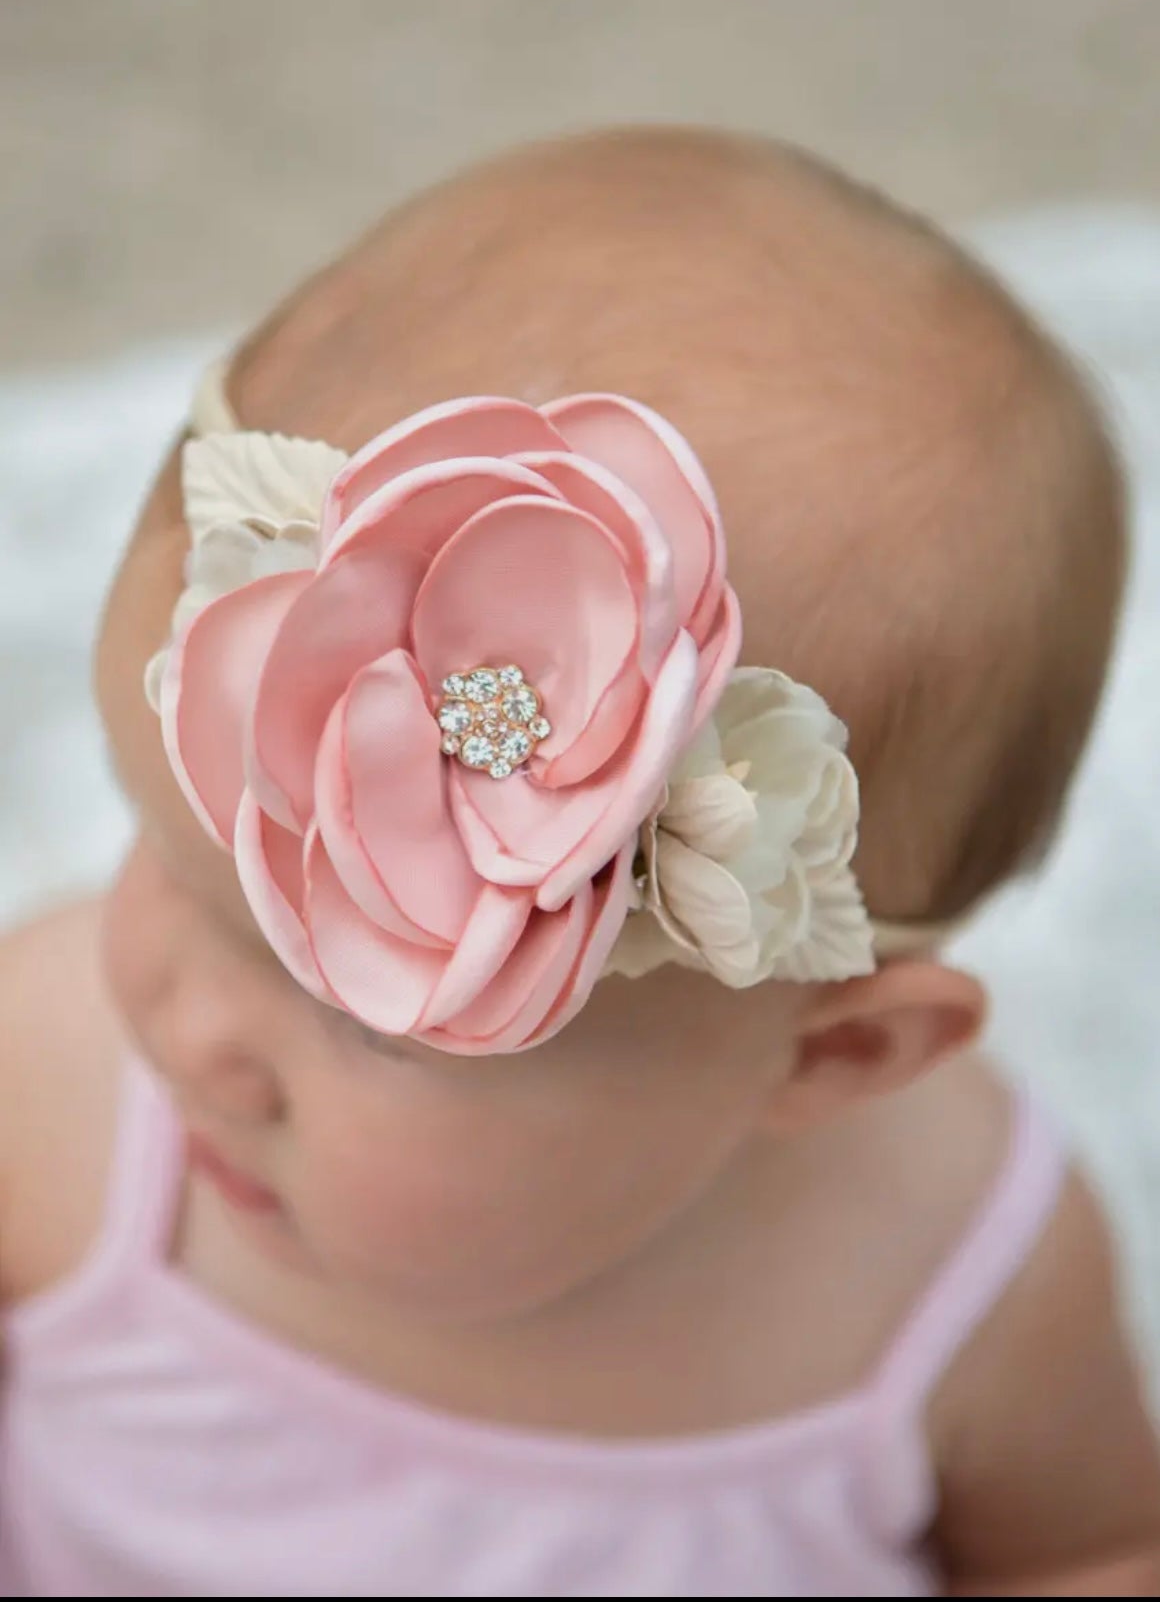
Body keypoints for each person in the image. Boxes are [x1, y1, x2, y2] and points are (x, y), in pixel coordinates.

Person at [2, 128, 1157, 1596]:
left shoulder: (949, 1285)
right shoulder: (48, 1087)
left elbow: (1097, 1551)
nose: (189, 1028)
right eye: (163, 853)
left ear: (835, 1058)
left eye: (371, 1027)